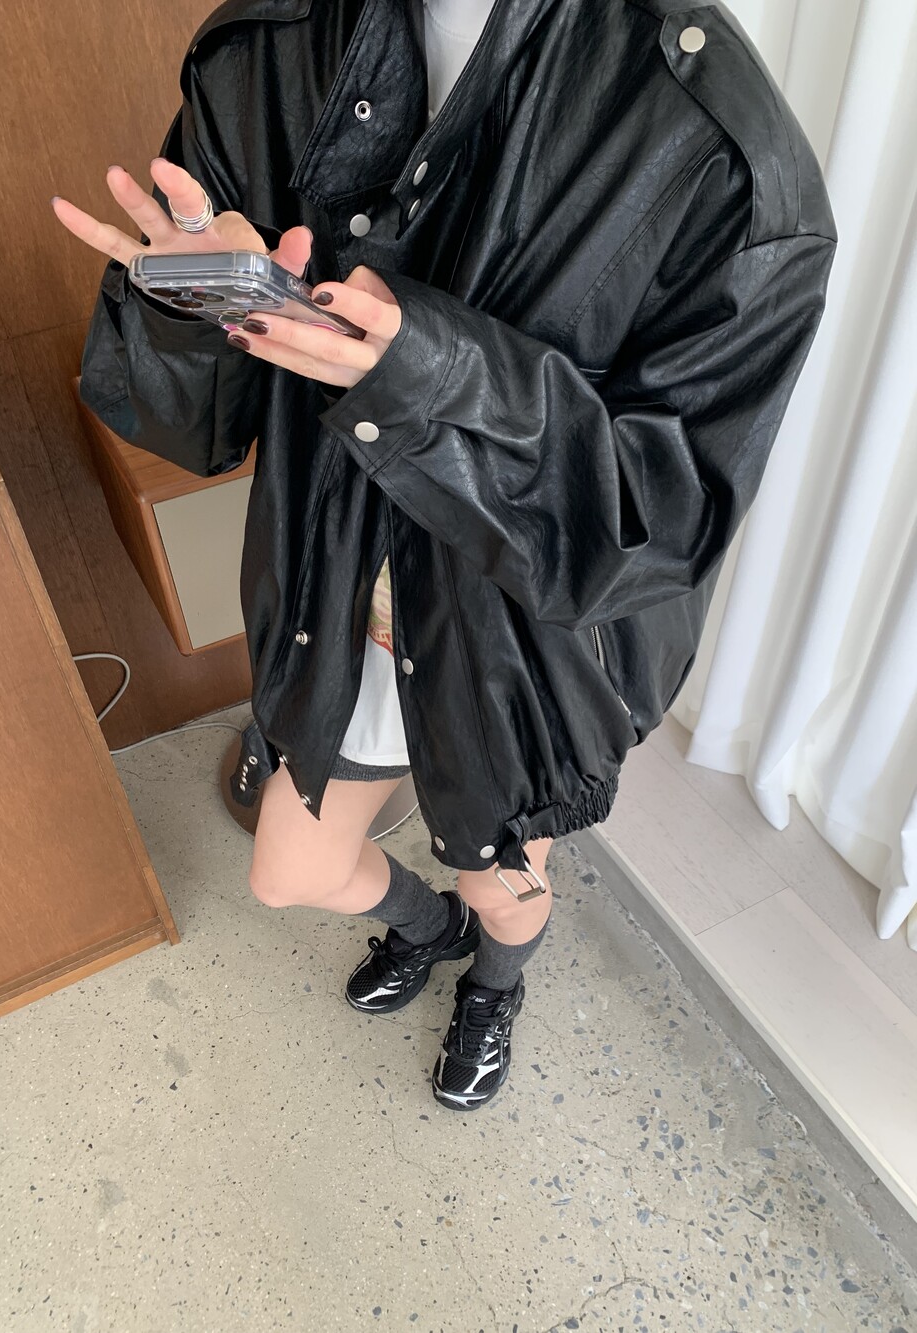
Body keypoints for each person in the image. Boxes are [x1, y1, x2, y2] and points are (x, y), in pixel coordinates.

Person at [62, 0, 836, 1110]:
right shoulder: (275, 42)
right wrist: (195, 308)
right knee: (291, 870)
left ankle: (495, 984)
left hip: (517, 633)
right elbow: (201, 424)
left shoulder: (721, 147)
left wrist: (430, 372)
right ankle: (427, 930)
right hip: (339, 588)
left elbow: (664, 518)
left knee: (505, 885)